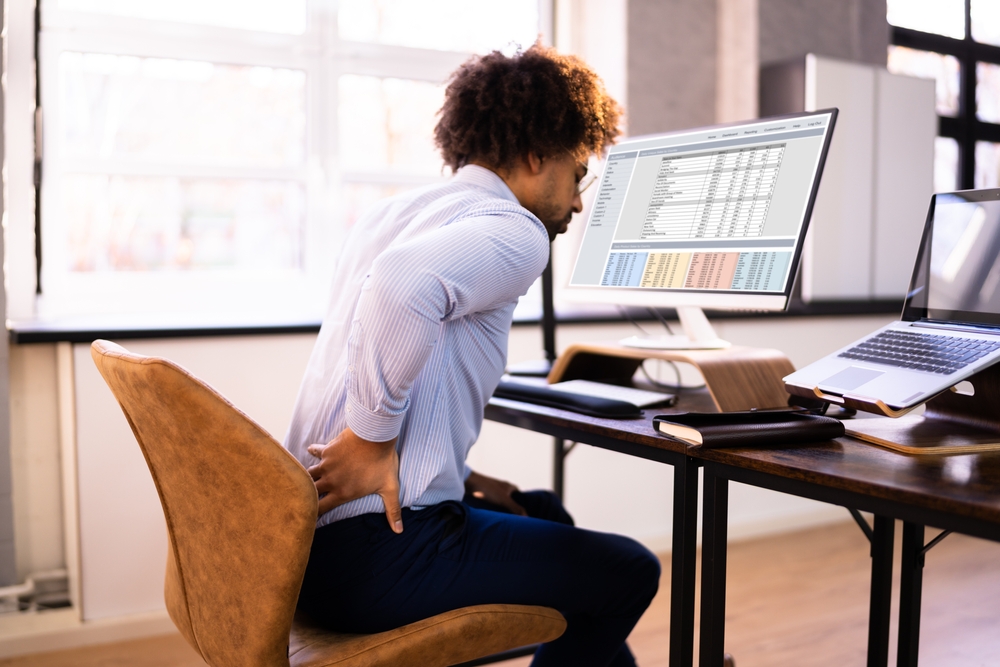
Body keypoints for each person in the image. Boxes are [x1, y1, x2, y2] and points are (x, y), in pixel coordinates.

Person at [285, 43, 660, 667]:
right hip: (379, 553)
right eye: (577, 175)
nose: (576, 203)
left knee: (545, 512)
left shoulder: (394, 214)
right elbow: (402, 289)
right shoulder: (516, 229)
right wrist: (371, 438)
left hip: (308, 548)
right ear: (537, 155)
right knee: (629, 571)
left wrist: (460, 478)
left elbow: (391, 324)